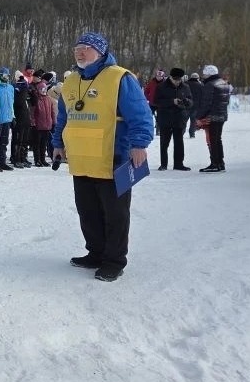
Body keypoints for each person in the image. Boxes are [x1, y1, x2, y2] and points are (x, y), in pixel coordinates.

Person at [51, 32, 153, 282]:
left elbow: (140, 113)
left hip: (113, 157)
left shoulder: (120, 77)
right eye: (77, 48)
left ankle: (114, 260)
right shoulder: (72, 80)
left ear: (101, 51)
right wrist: (57, 143)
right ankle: (95, 252)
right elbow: (63, 117)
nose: (80, 52)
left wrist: (139, 143)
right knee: (88, 211)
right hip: (82, 159)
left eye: (86, 48)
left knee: (115, 214)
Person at [153, 67, 193, 170]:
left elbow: (191, 101)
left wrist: (187, 102)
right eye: (175, 79)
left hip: (179, 118)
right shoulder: (161, 87)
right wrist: (172, 101)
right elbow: (157, 101)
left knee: (179, 142)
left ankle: (179, 164)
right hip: (165, 118)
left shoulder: (185, 87)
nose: (177, 82)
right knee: (164, 143)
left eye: (179, 79)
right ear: (170, 77)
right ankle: (163, 164)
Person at [194, 65, 231, 173]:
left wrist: (199, 116)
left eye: (204, 74)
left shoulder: (210, 84)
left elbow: (207, 103)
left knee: (212, 140)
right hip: (222, 115)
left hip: (212, 116)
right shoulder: (223, 83)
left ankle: (215, 163)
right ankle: (220, 163)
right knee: (217, 139)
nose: (203, 76)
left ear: (209, 74)